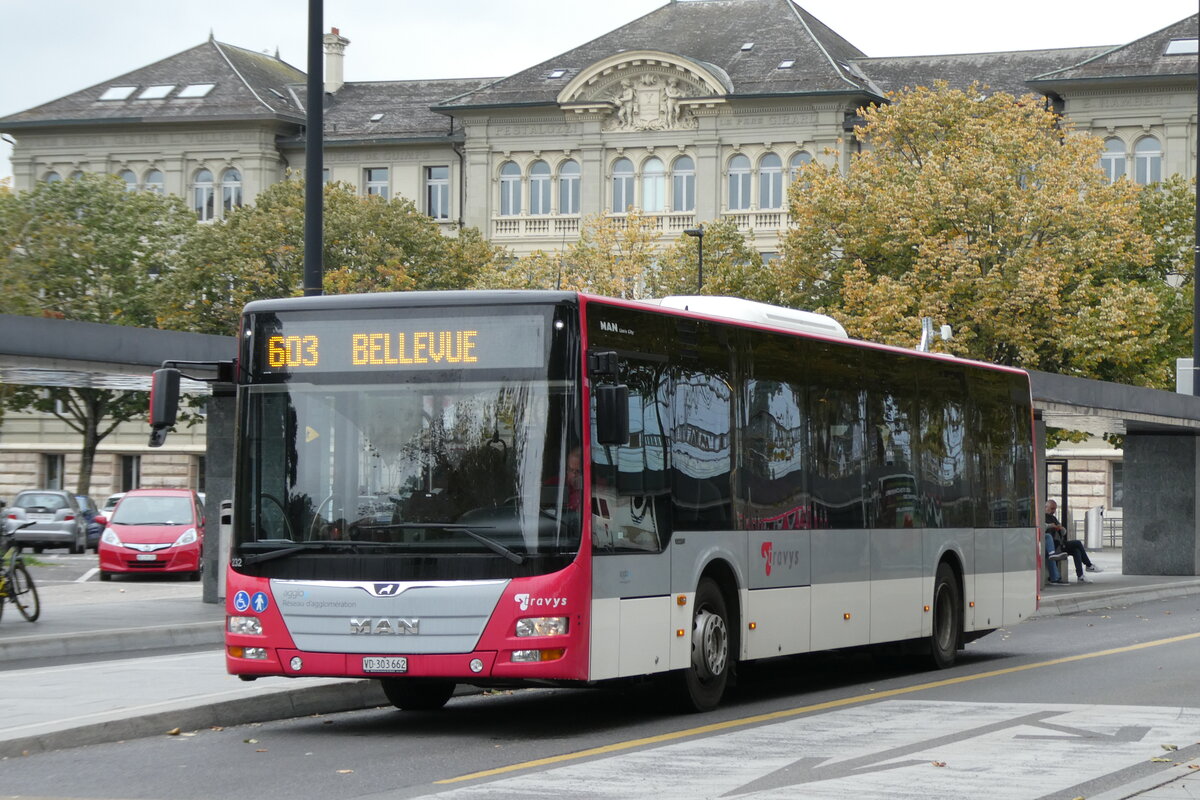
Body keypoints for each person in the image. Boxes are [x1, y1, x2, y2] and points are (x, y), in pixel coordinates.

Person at [1045, 500, 1102, 583]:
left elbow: (1064, 531)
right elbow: (1042, 527)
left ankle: (1080, 576)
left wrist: (1061, 528)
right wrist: (1051, 526)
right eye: (1051, 509)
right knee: (1077, 543)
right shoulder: (1043, 516)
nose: (1053, 511)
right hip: (1054, 546)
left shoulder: (1053, 518)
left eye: (1054, 509)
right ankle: (1089, 565)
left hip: (1060, 544)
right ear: (1046, 507)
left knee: (1076, 550)